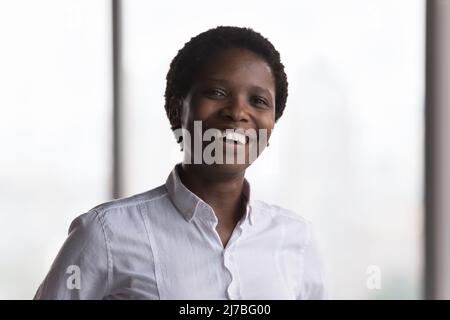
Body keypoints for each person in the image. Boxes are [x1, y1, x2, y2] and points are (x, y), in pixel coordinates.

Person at [34, 26, 327, 300]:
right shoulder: (106, 234)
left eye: (258, 101)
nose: (238, 112)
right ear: (177, 111)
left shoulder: (296, 238)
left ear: (271, 127)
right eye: (217, 92)